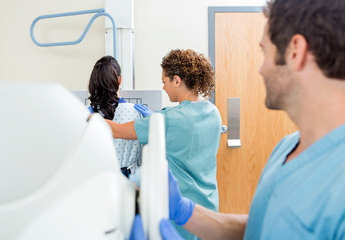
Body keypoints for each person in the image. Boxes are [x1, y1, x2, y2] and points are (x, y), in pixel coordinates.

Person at [132, 0, 345, 239]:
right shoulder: (286, 148)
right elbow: (261, 228)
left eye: (265, 52)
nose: (260, 69)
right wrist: (186, 212)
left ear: (296, 51)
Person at [106, 49, 222, 239]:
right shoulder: (213, 112)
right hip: (209, 208)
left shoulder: (167, 120)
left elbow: (117, 130)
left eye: (164, 82)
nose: (163, 88)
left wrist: (87, 116)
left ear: (177, 80)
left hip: (181, 211)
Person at [88, 56, 142, 177]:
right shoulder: (136, 112)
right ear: (119, 80)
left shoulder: (85, 115)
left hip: (95, 180)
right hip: (128, 182)